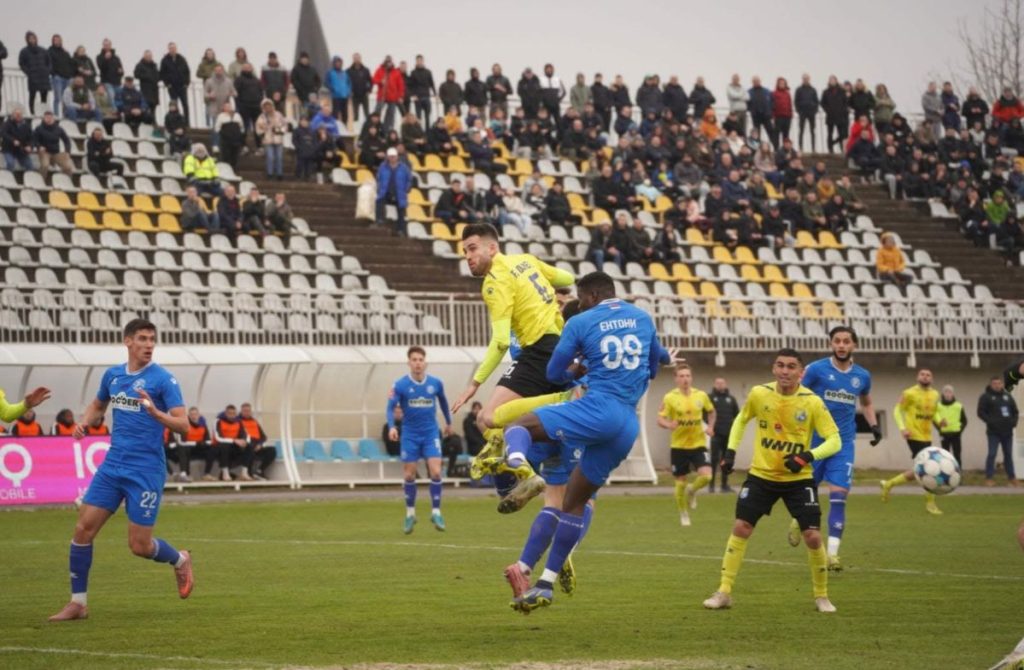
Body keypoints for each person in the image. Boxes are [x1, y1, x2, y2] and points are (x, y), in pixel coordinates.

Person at [508, 271, 668, 612]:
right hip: (626, 424)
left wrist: (576, 371)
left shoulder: (580, 322)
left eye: (581, 300)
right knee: (575, 505)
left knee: (518, 425)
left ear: (591, 296)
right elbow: (654, 368)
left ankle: (519, 467)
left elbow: (553, 374)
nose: (580, 304)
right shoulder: (642, 317)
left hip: (595, 408)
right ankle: (545, 585)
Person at [48, 319, 192, 622]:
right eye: (142, 338)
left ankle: (179, 559)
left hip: (146, 470)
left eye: (152, 339)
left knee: (139, 546)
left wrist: (156, 413)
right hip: (113, 466)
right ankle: (78, 602)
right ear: (128, 341)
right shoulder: (112, 375)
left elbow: (184, 426)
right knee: (82, 529)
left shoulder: (164, 380)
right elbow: (98, 404)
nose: (149, 344)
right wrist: (86, 422)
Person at [702, 348, 840, 614]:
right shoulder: (759, 393)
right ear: (773, 369)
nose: (785, 371)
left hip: (799, 479)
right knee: (741, 527)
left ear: (801, 372)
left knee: (811, 536)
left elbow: (834, 440)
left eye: (791, 367)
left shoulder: (812, 402)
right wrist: (731, 451)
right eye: (780, 365)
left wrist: (806, 456)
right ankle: (724, 592)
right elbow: (742, 420)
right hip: (761, 476)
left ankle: (822, 596)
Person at [786, 326, 880, 573]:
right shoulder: (816, 369)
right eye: (836, 341)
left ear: (854, 345)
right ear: (831, 344)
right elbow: (797, 393)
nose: (841, 345)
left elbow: (867, 403)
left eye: (846, 341)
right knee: (809, 491)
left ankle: (833, 555)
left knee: (839, 497)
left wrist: (874, 426)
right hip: (815, 443)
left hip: (843, 444)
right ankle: (798, 518)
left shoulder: (862, 376)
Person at [387, 346, 453, 534]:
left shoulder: (436, 383)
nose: (417, 363)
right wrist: (392, 426)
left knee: (436, 472)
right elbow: (390, 406)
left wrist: (448, 423)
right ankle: (410, 514)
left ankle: (436, 511)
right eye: (414, 360)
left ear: (425, 362)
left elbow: (444, 402)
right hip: (410, 434)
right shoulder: (399, 385)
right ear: (409, 363)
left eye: (420, 359)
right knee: (409, 475)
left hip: (431, 433)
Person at [658, 363, 715, 527]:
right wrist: (669, 425)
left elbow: (711, 411)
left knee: (707, 476)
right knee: (680, 483)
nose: (685, 379)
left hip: (698, 444)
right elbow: (660, 419)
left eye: (687, 376)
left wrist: (711, 427)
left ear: (692, 378)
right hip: (678, 446)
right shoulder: (669, 397)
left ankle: (692, 490)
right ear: (676, 379)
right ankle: (683, 513)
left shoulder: (701, 395)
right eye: (681, 376)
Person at [880, 369, 943, 515]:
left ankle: (889, 484)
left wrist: (940, 422)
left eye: (928, 375)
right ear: (917, 377)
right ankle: (930, 504)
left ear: (932, 379)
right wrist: (903, 428)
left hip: (927, 437)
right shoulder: (909, 393)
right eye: (922, 374)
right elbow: (897, 410)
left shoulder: (935, 394)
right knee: (929, 469)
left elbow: (935, 412)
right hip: (914, 435)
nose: (925, 377)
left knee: (917, 470)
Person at [978, 376, 1019, 486]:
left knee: (1008, 455)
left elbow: (1015, 411)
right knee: (992, 454)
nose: (997, 385)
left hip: (1007, 432)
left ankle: (1012, 478)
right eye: (995, 383)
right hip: (993, 432)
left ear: (1002, 384)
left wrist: (1013, 422)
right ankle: (989, 478)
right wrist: (990, 422)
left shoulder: (1008, 397)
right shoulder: (986, 397)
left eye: (999, 383)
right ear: (991, 385)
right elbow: (980, 412)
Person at [706, 377, 738, 493]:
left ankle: (724, 485)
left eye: (722, 383)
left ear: (726, 384)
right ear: (714, 384)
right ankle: (711, 485)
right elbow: (704, 413)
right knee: (713, 460)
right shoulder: (710, 398)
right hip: (715, 434)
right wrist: (710, 426)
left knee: (726, 460)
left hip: (728, 435)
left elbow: (737, 416)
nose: (720, 385)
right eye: (718, 383)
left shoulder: (731, 399)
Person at [375, 147, 413, 237]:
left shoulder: (404, 168)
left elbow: (409, 179)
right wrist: (379, 188)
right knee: (379, 201)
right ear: (388, 157)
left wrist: (407, 188)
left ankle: (401, 230)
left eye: (394, 156)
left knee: (401, 212)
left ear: (397, 157)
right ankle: (379, 219)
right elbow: (378, 178)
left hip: (399, 193)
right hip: (386, 191)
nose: (392, 158)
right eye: (390, 156)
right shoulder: (383, 167)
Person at [239, 403, 275, 480]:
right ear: (241, 411)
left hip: (257, 446)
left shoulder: (254, 421)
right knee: (249, 449)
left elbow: (263, 436)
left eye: (248, 411)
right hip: (246, 447)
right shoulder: (238, 421)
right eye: (245, 411)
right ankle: (250, 474)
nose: (247, 413)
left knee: (272, 450)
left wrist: (260, 444)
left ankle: (259, 471)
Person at [19, 31, 51, 115]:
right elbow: (21, 63)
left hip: (43, 76)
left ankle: (43, 113)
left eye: (33, 38)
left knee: (44, 97)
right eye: (30, 39)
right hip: (33, 76)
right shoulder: (24, 51)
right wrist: (28, 72)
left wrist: (47, 71)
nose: (32, 40)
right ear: (27, 40)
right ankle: (32, 113)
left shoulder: (43, 50)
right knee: (32, 95)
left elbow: (49, 62)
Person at [32, 111, 74, 175]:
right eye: (47, 118)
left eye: (50, 118)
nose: (48, 119)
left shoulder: (59, 129)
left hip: (56, 153)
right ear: (44, 118)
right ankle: (41, 181)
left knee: (68, 167)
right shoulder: (39, 128)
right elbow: (34, 140)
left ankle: (66, 181)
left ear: (53, 119)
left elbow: (66, 140)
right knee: (45, 166)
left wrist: (67, 151)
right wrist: (39, 146)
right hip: (45, 152)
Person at [934, 384, 967, 466]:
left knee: (957, 455)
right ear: (943, 394)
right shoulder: (938, 405)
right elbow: (934, 420)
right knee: (945, 455)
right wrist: (939, 429)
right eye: (946, 392)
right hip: (944, 434)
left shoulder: (958, 406)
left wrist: (960, 430)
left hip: (956, 434)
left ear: (953, 394)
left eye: (950, 392)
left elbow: (964, 420)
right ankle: (946, 474)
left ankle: (958, 474)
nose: (948, 394)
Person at [159, 43, 190, 124]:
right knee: (174, 105)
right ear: (168, 49)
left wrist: (186, 83)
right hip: (172, 87)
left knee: (185, 104)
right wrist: (167, 84)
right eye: (171, 48)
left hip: (182, 86)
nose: (172, 50)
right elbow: (162, 73)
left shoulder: (181, 58)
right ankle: (177, 122)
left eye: (174, 48)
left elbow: (187, 71)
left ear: (176, 49)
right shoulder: (165, 60)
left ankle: (187, 122)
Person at [255, 100, 287, 180]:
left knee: (279, 157)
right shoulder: (262, 117)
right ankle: (270, 173)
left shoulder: (279, 115)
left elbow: (285, 125)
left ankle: (279, 174)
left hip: (278, 139)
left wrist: (280, 131)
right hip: (268, 140)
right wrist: (263, 131)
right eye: (266, 106)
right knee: (270, 157)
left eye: (269, 106)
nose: (268, 108)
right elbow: (258, 127)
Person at [372, 56, 405, 132]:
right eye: (387, 62)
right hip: (382, 96)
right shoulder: (380, 70)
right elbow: (374, 79)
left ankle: (387, 131)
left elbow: (400, 85)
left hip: (393, 97)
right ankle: (374, 128)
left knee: (390, 115)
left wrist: (400, 96)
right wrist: (380, 81)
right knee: (377, 112)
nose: (388, 63)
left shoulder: (396, 72)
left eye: (390, 62)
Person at [48, 35, 75, 117]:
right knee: (57, 98)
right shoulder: (50, 51)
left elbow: (71, 63)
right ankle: (56, 115)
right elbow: (48, 63)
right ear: (53, 41)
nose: (57, 41)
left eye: (59, 40)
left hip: (67, 78)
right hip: (57, 78)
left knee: (66, 98)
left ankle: (65, 115)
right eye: (55, 40)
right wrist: (53, 73)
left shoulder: (65, 52)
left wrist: (71, 75)